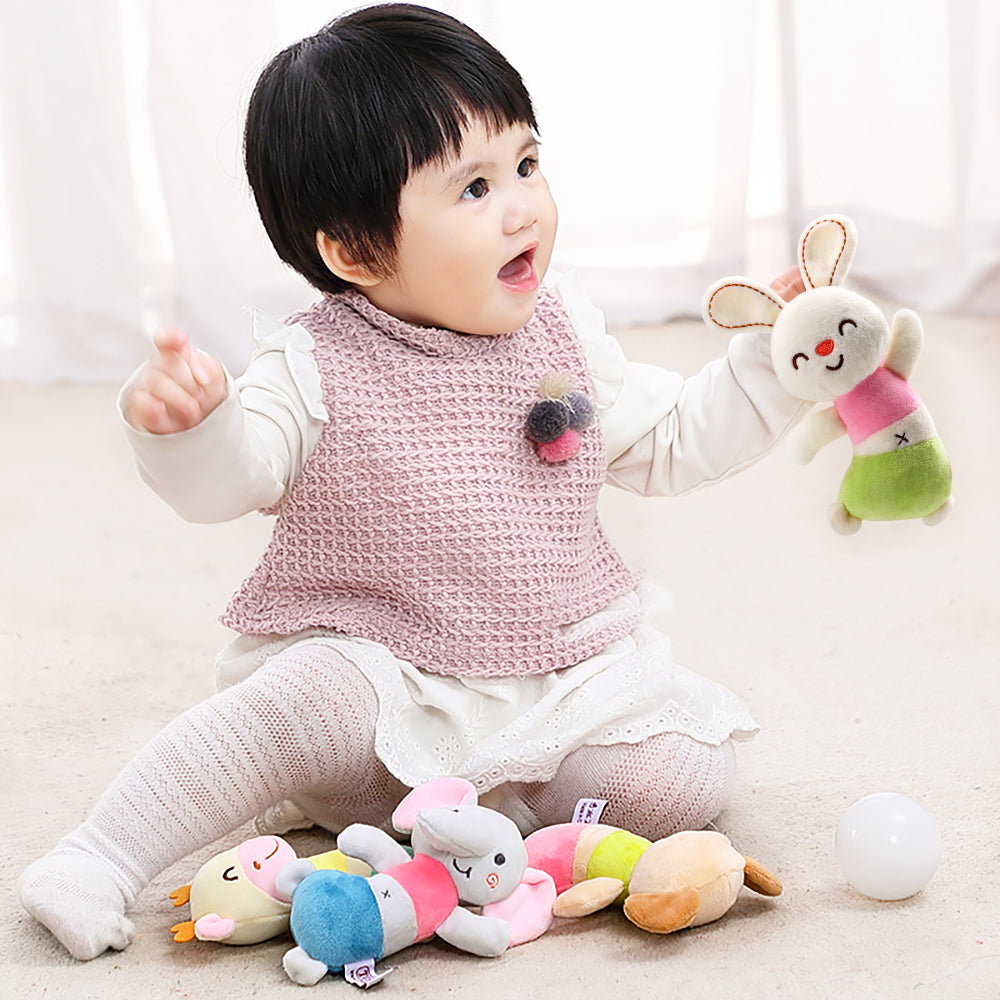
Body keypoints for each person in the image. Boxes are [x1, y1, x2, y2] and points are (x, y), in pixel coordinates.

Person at [18, 3, 806, 962]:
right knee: (305, 703)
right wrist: (194, 430)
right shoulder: (315, 365)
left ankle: (492, 835)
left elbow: (673, 437)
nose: (523, 206)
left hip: (551, 673)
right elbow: (232, 479)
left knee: (677, 778)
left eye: (526, 163)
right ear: (355, 250)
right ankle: (99, 855)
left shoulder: (562, 337)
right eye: (474, 187)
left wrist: (778, 367)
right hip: (383, 683)